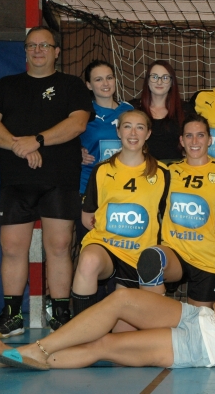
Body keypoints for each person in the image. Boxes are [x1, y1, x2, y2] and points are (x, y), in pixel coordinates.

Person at [0, 232, 215, 370]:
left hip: (203, 346)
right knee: (123, 298)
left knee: (106, 344)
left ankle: (22, 357)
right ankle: (30, 352)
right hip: (198, 318)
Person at [0, 26, 92, 336]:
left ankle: (60, 313)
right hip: (15, 181)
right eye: (32, 45)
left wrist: (37, 140)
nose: (38, 50)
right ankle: (13, 315)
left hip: (59, 179)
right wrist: (20, 145)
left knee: (59, 246)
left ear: (57, 51)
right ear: (26, 51)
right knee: (13, 248)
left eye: (45, 45)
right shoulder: (6, 85)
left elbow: (77, 123)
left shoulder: (71, 86)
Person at [70, 110, 170, 324]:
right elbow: (88, 217)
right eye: (127, 126)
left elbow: (167, 217)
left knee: (126, 342)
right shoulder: (101, 170)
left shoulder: (163, 173)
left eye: (140, 127)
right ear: (118, 131)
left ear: (148, 133)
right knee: (88, 260)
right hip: (107, 249)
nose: (133, 133)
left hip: (140, 257)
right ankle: (79, 335)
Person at [138, 114, 215, 308]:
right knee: (151, 258)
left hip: (208, 258)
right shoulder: (166, 171)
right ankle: (154, 323)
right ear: (181, 140)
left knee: (198, 328)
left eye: (200, 135)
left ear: (210, 139)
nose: (195, 141)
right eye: (189, 136)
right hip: (174, 253)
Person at [77, 60, 134, 242]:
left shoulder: (128, 110)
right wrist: (75, 152)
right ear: (88, 85)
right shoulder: (81, 112)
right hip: (89, 187)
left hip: (122, 188)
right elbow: (64, 139)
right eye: (99, 79)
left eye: (109, 78)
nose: (106, 83)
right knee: (89, 243)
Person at [129, 60, 184, 163]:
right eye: (154, 77)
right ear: (147, 81)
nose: (159, 82)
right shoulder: (133, 108)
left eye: (165, 78)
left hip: (175, 171)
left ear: (172, 82)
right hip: (142, 169)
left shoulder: (185, 110)